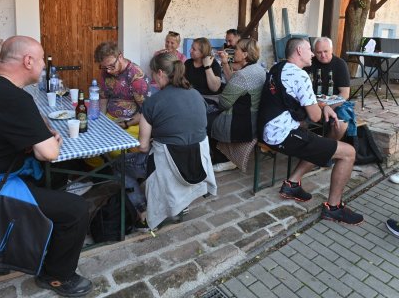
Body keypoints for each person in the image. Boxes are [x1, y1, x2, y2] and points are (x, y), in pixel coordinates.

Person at [0, 36, 92, 296]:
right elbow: (49, 154)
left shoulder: (9, 91)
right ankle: (57, 275)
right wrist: (49, 139)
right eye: (41, 60)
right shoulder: (14, 98)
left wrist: (42, 130)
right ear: (28, 61)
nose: (44, 66)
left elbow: (28, 116)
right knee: (76, 210)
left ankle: (24, 244)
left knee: (54, 181)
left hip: (9, 171)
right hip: (3, 184)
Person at [258, 37, 363, 225]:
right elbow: (315, 116)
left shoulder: (278, 67)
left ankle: (292, 185)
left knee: (317, 143)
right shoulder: (300, 75)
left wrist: (323, 106)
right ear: (299, 51)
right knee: (348, 153)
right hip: (282, 134)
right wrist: (323, 108)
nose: (313, 54)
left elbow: (296, 99)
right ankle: (333, 208)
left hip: (268, 129)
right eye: (310, 49)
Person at [139, 52, 217, 229]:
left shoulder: (152, 102)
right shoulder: (196, 95)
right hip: (197, 161)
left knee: (121, 166)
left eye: (153, 74)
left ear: (160, 73)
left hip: (168, 163)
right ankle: (180, 201)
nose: (153, 79)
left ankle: (142, 210)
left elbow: (143, 146)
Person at [209, 38, 266, 172]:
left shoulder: (243, 75)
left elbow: (224, 103)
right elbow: (234, 83)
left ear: (245, 54)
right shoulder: (258, 69)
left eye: (237, 49)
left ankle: (224, 159)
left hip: (241, 122)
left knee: (205, 120)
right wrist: (225, 63)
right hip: (253, 118)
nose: (234, 52)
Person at [94, 41, 150, 138]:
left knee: (113, 145)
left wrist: (126, 124)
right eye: (104, 67)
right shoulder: (106, 71)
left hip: (131, 123)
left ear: (120, 57)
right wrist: (101, 121)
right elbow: (103, 99)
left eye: (111, 66)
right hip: (110, 119)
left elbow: (147, 112)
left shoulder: (136, 76)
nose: (108, 71)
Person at [307, 36, 352, 140]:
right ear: (314, 52)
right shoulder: (309, 62)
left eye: (326, 51)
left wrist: (328, 107)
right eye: (319, 52)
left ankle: (326, 146)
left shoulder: (340, 64)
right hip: (311, 103)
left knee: (340, 125)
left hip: (333, 103)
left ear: (332, 50)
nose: (323, 55)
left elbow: (345, 93)